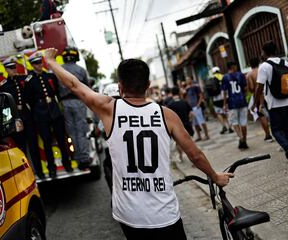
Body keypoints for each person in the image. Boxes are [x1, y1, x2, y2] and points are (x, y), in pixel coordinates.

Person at [44, 48, 233, 240]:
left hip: (129, 215)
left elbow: (75, 85)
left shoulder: (109, 109)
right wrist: (215, 176)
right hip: (164, 214)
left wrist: (51, 62)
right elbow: (196, 155)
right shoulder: (167, 115)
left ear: (121, 87)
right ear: (148, 85)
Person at [25, 52, 72, 178]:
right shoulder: (29, 80)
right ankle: (51, 168)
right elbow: (28, 99)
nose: (38, 65)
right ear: (32, 65)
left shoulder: (50, 76)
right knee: (46, 142)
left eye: (40, 62)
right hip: (40, 114)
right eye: (35, 63)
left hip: (54, 112)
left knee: (61, 140)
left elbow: (56, 91)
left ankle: (67, 163)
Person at [0, 57, 44, 179]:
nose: (13, 70)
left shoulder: (25, 79)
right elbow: (5, 105)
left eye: (14, 67)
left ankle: (39, 172)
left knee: (33, 145)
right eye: (10, 68)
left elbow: (33, 95)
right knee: (21, 148)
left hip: (27, 116)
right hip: (16, 118)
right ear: (6, 70)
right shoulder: (4, 85)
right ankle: (27, 175)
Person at [253, 41, 288, 159]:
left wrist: (255, 103)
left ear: (264, 52)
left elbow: (259, 87)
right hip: (287, 101)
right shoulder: (285, 62)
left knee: (276, 130)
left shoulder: (264, 66)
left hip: (274, 104)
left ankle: (287, 148)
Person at [59, 47, 90, 170]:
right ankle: (84, 159)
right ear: (75, 57)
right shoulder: (81, 70)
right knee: (81, 132)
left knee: (71, 133)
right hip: (78, 102)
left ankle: (76, 158)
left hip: (65, 104)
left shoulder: (59, 70)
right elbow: (87, 88)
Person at [222, 62, 249, 150]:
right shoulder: (240, 75)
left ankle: (241, 137)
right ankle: (244, 141)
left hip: (232, 103)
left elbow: (225, 92)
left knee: (234, 122)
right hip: (242, 101)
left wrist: (225, 103)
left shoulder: (225, 77)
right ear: (233, 66)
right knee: (243, 122)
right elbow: (245, 88)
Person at [247, 57, 273, 142]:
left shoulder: (250, 74)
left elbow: (251, 88)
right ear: (258, 63)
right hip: (268, 95)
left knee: (262, 116)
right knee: (272, 114)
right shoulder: (263, 70)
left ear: (250, 65)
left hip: (258, 97)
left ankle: (268, 134)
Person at [168, 86, 194, 161]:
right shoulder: (184, 102)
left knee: (178, 143)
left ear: (172, 94)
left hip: (176, 127)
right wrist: (190, 121)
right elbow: (191, 113)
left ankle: (181, 156)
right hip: (187, 124)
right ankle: (192, 160)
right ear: (179, 92)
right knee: (190, 141)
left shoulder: (170, 105)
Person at [185, 76, 209, 141]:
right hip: (191, 107)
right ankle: (199, 136)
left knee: (202, 121)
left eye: (188, 79)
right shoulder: (187, 88)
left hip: (197, 106)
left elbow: (201, 95)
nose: (187, 81)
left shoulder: (196, 87)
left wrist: (198, 104)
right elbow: (187, 97)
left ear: (191, 80)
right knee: (195, 123)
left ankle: (206, 135)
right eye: (186, 80)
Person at [211, 67, 233, 134]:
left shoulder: (211, 78)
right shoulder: (224, 77)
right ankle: (230, 127)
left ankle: (224, 126)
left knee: (219, 113)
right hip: (225, 97)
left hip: (216, 99)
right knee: (227, 112)